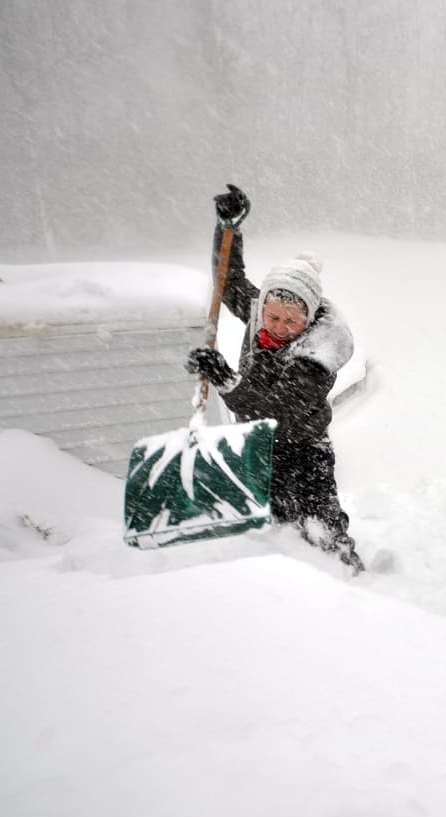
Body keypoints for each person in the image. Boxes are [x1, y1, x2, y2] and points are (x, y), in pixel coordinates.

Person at [186, 184, 365, 573]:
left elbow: (273, 410)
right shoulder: (260, 312)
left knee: (323, 531)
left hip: (304, 451)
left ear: (309, 316)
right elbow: (228, 283)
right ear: (263, 305)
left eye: (292, 321)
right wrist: (228, 229)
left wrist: (226, 379)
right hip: (261, 446)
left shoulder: (318, 354)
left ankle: (355, 585)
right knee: (278, 531)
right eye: (273, 317)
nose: (280, 327)